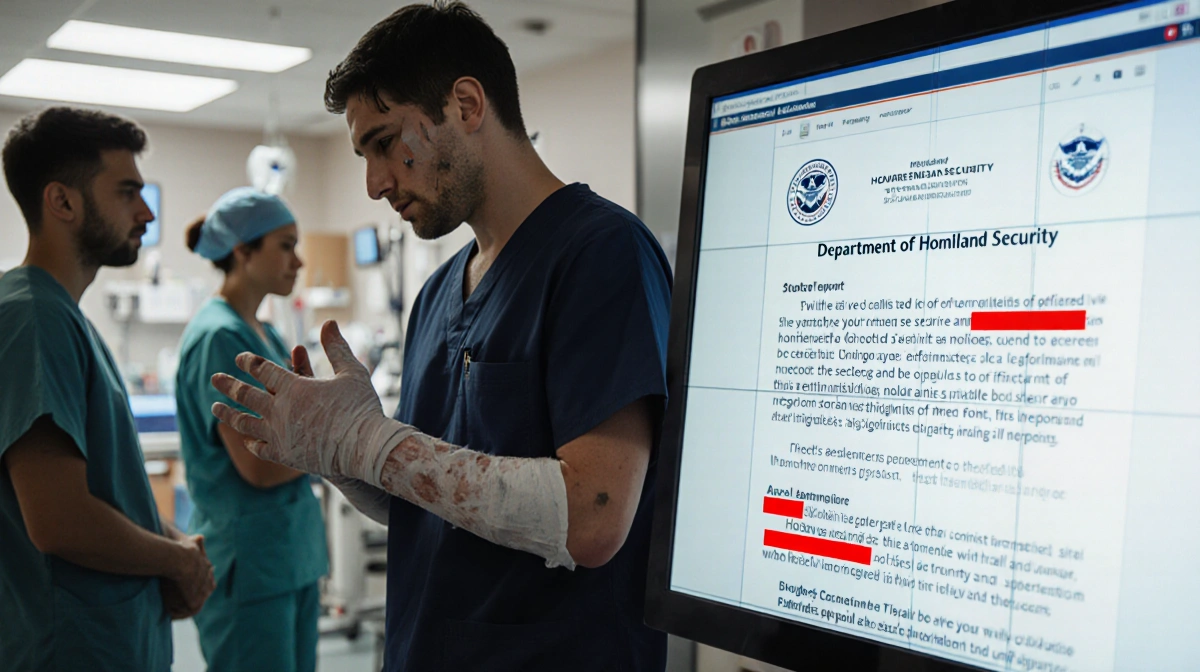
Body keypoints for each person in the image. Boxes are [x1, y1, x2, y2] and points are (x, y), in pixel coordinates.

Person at [211, 3, 672, 670]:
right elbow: (433, 500)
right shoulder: (438, 292)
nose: (374, 184)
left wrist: (371, 440)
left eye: (383, 142)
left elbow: (595, 516)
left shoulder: (600, 253)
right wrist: (339, 453)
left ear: (464, 105)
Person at [0, 106, 215, 671]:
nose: (146, 212)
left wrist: (174, 542)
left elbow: (105, 491)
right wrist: (174, 560)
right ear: (62, 201)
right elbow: (59, 519)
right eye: (127, 192)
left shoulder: (62, 318)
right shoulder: (34, 319)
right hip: (69, 649)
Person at [174, 187, 327, 672]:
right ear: (243, 252)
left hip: (288, 555)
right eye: (285, 245)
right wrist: (340, 449)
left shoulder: (265, 331)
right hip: (252, 563)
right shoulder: (221, 337)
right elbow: (258, 467)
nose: (298, 261)